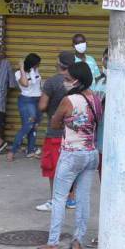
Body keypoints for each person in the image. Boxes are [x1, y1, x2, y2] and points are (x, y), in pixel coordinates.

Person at [32, 61, 102, 249]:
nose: (64, 82)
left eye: (67, 79)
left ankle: (52, 243)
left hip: (72, 153)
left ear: (77, 81)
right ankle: (78, 241)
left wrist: (67, 121)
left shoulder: (69, 100)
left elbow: (54, 122)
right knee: (83, 199)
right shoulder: (96, 99)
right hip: (91, 154)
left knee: (59, 198)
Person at [36, 51, 80, 213]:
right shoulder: (78, 82)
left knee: (53, 168)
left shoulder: (51, 82)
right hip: (74, 133)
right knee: (72, 168)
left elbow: (42, 106)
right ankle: (71, 199)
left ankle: (55, 200)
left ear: (60, 63)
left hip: (55, 133)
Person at [7, 53, 42, 161]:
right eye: (36, 64)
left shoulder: (35, 71)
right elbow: (25, 84)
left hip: (38, 100)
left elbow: (37, 84)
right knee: (28, 126)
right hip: (27, 101)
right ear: (31, 64)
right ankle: (12, 151)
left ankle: (30, 151)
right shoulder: (18, 73)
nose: (38, 66)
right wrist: (22, 68)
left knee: (34, 126)